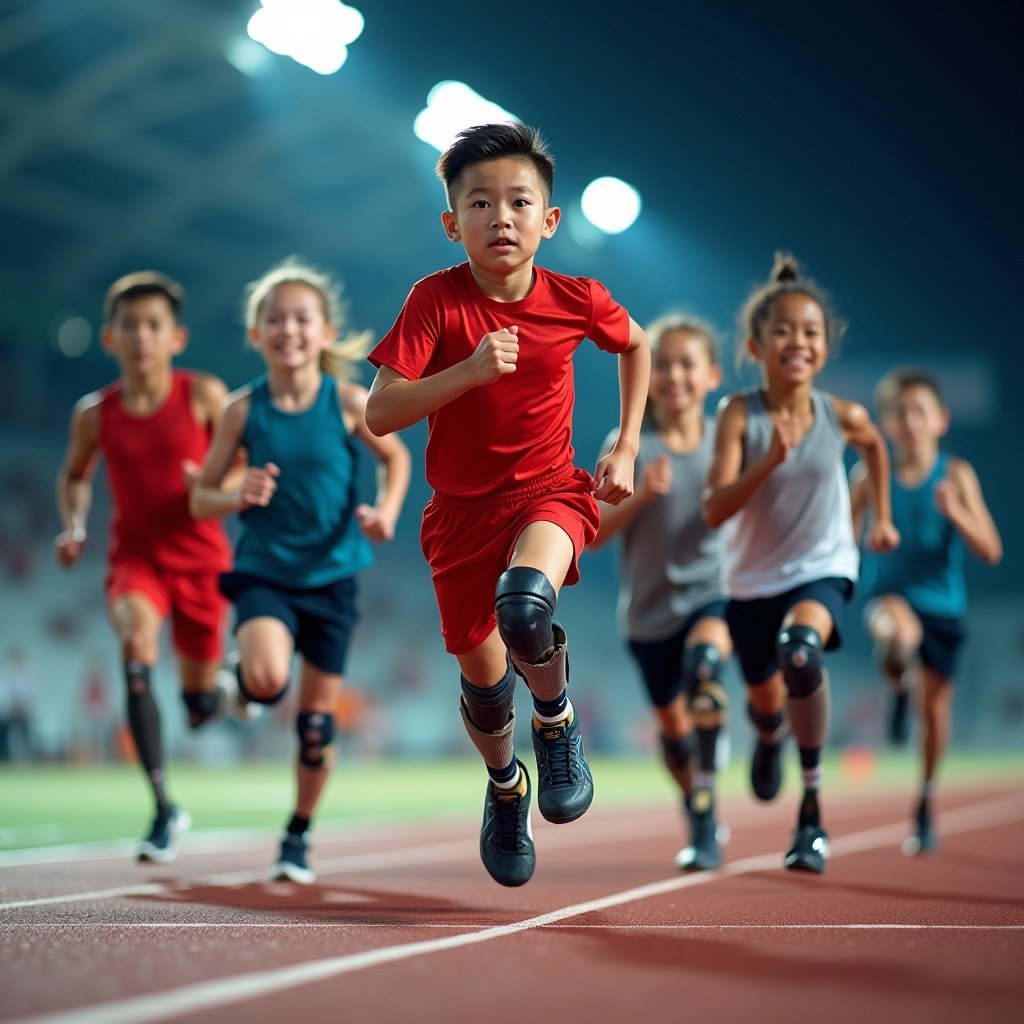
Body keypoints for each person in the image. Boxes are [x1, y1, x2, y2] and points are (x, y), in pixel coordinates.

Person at [364, 122, 650, 887]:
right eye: (480, 202)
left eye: (519, 201)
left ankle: (557, 726)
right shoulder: (434, 301)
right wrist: (466, 372)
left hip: (548, 493)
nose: (502, 217)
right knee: (487, 697)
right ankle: (505, 788)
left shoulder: (576, 298)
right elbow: (380, 412)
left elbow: (636, 345)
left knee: (525, 608)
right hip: (456, 517)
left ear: (549, 220)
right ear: (452, 222)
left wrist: (623, 444)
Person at [190, 256, 411, 884]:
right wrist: (236, 494)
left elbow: (396, 462)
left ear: (324, 331)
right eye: (275, 320)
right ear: (256, 334)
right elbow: (200, 497)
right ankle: (245, 679)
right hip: (265, 572)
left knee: (316, 726)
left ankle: (297, 836)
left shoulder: (347, 403)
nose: (288, 330)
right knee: (265, 682)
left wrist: (387, 511)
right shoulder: (242, 410)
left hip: (334, 579)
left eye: (301, 319)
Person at [702, 253, 899, 874]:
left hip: (823, 566)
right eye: (784, 331)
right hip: (750, 580)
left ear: (825, 346)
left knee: (801, 652)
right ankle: (767, 734)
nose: (799, 342)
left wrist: (880, 515)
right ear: (757, 345)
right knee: (765, 692)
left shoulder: (844, 416)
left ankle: (811, 809)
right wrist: (767, 464)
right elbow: (713, 509)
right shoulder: (739, 412)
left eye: (811, 332)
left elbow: (875, 447)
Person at [54, 271, 234, 862]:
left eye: (153, 325)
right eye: (129, 326)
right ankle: (163, 808)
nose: (141, 337)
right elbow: (76, 476)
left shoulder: (204, 395)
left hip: (204, 563)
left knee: (199, 708)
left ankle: (219, 691)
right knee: (135, 647)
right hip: (137, 562)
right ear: (110, 338)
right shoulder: (94, 414)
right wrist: (75, 525)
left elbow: (243, 464)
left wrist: (216, 485)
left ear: (176, 336)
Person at [590, 313, 731, 871]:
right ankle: (699, 813)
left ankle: (714, 766)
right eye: (663, 364)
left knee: (706, 665)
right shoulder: (629, 444)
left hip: (712, 592)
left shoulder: (728, 440)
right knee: (674, 730)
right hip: (648, 614)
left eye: (686, 364)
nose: (673, 375)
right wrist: (641, 495)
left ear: (712, 376)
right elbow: (593, 536)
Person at [850, 367, 1002, 854]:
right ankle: (898, 681)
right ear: (887, 424)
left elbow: (991, 550)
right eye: (899, 413)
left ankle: (925, 801)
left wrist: (956, 511)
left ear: (940, 419)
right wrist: (863, 539)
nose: (909, 421)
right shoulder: (870, 473)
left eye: (919, 411)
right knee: (900, 635)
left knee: (935, 711)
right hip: (888, 597)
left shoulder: (956, 475)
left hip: (945, 606)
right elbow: (839, 537)